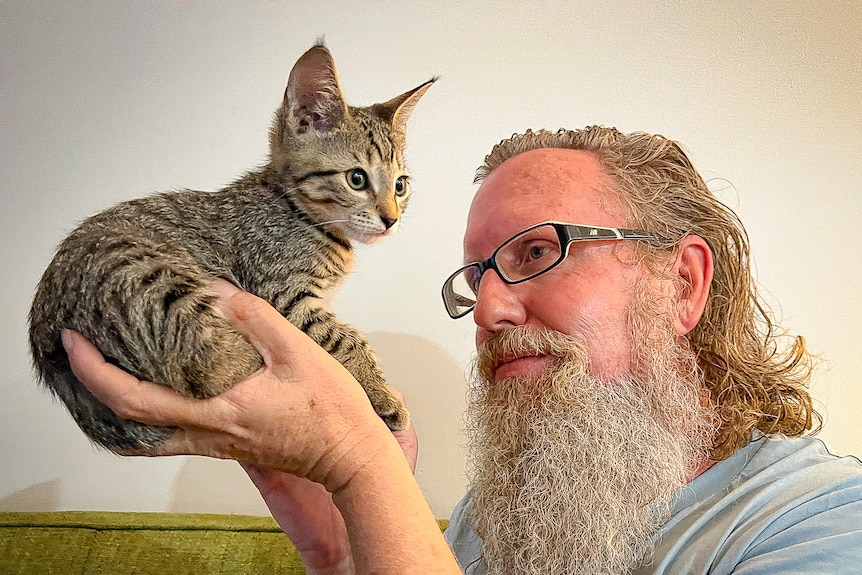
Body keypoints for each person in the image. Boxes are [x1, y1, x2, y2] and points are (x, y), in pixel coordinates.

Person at [63, 126, 862, 574]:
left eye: (537, 251)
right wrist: (342, 548)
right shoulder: (507, 508)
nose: (484, 307)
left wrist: (361, 464)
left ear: (682, 285)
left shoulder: (822, 525)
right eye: (476, 274)